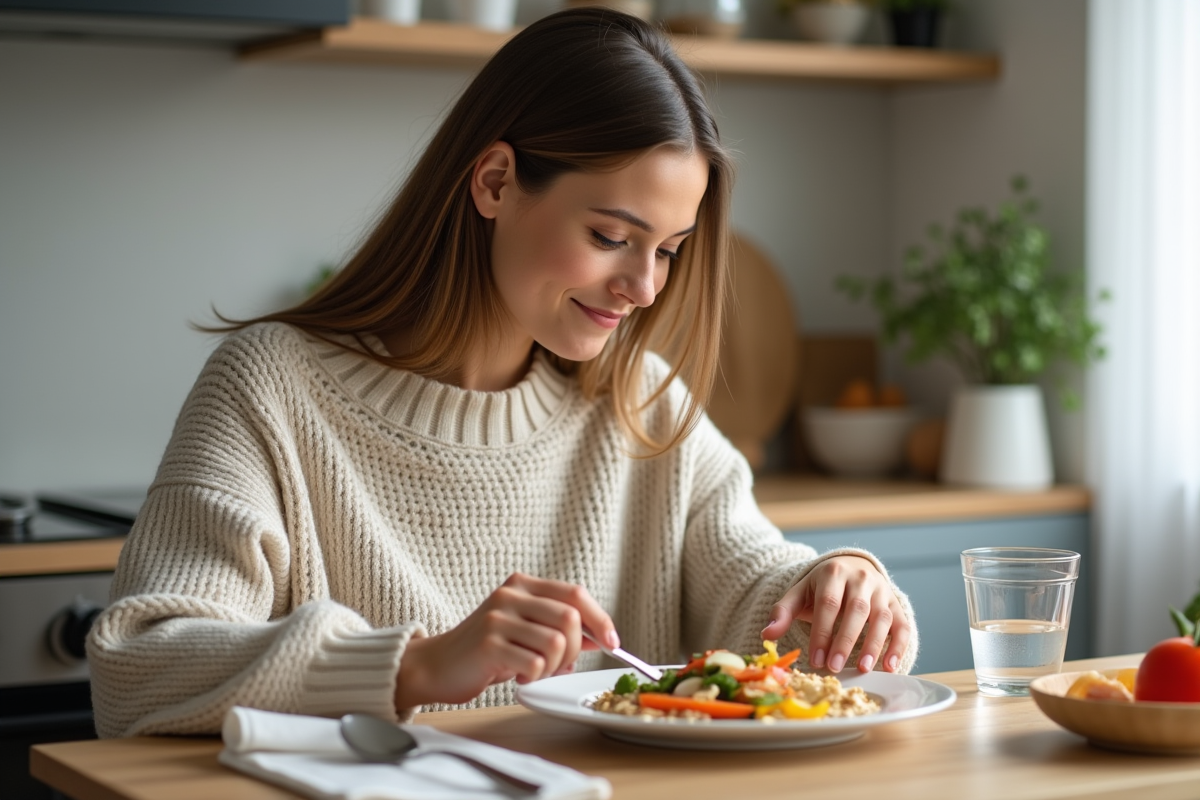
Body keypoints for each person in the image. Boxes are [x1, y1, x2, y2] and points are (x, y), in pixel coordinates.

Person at [88, 7, 917, 739]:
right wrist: (412, 667)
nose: (644, 287)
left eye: (667, 249)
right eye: (609, 236)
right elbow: (137, 665)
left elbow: (751, 584)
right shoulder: (271, 386)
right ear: (494, 182)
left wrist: (833, 588)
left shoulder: (640, 401)